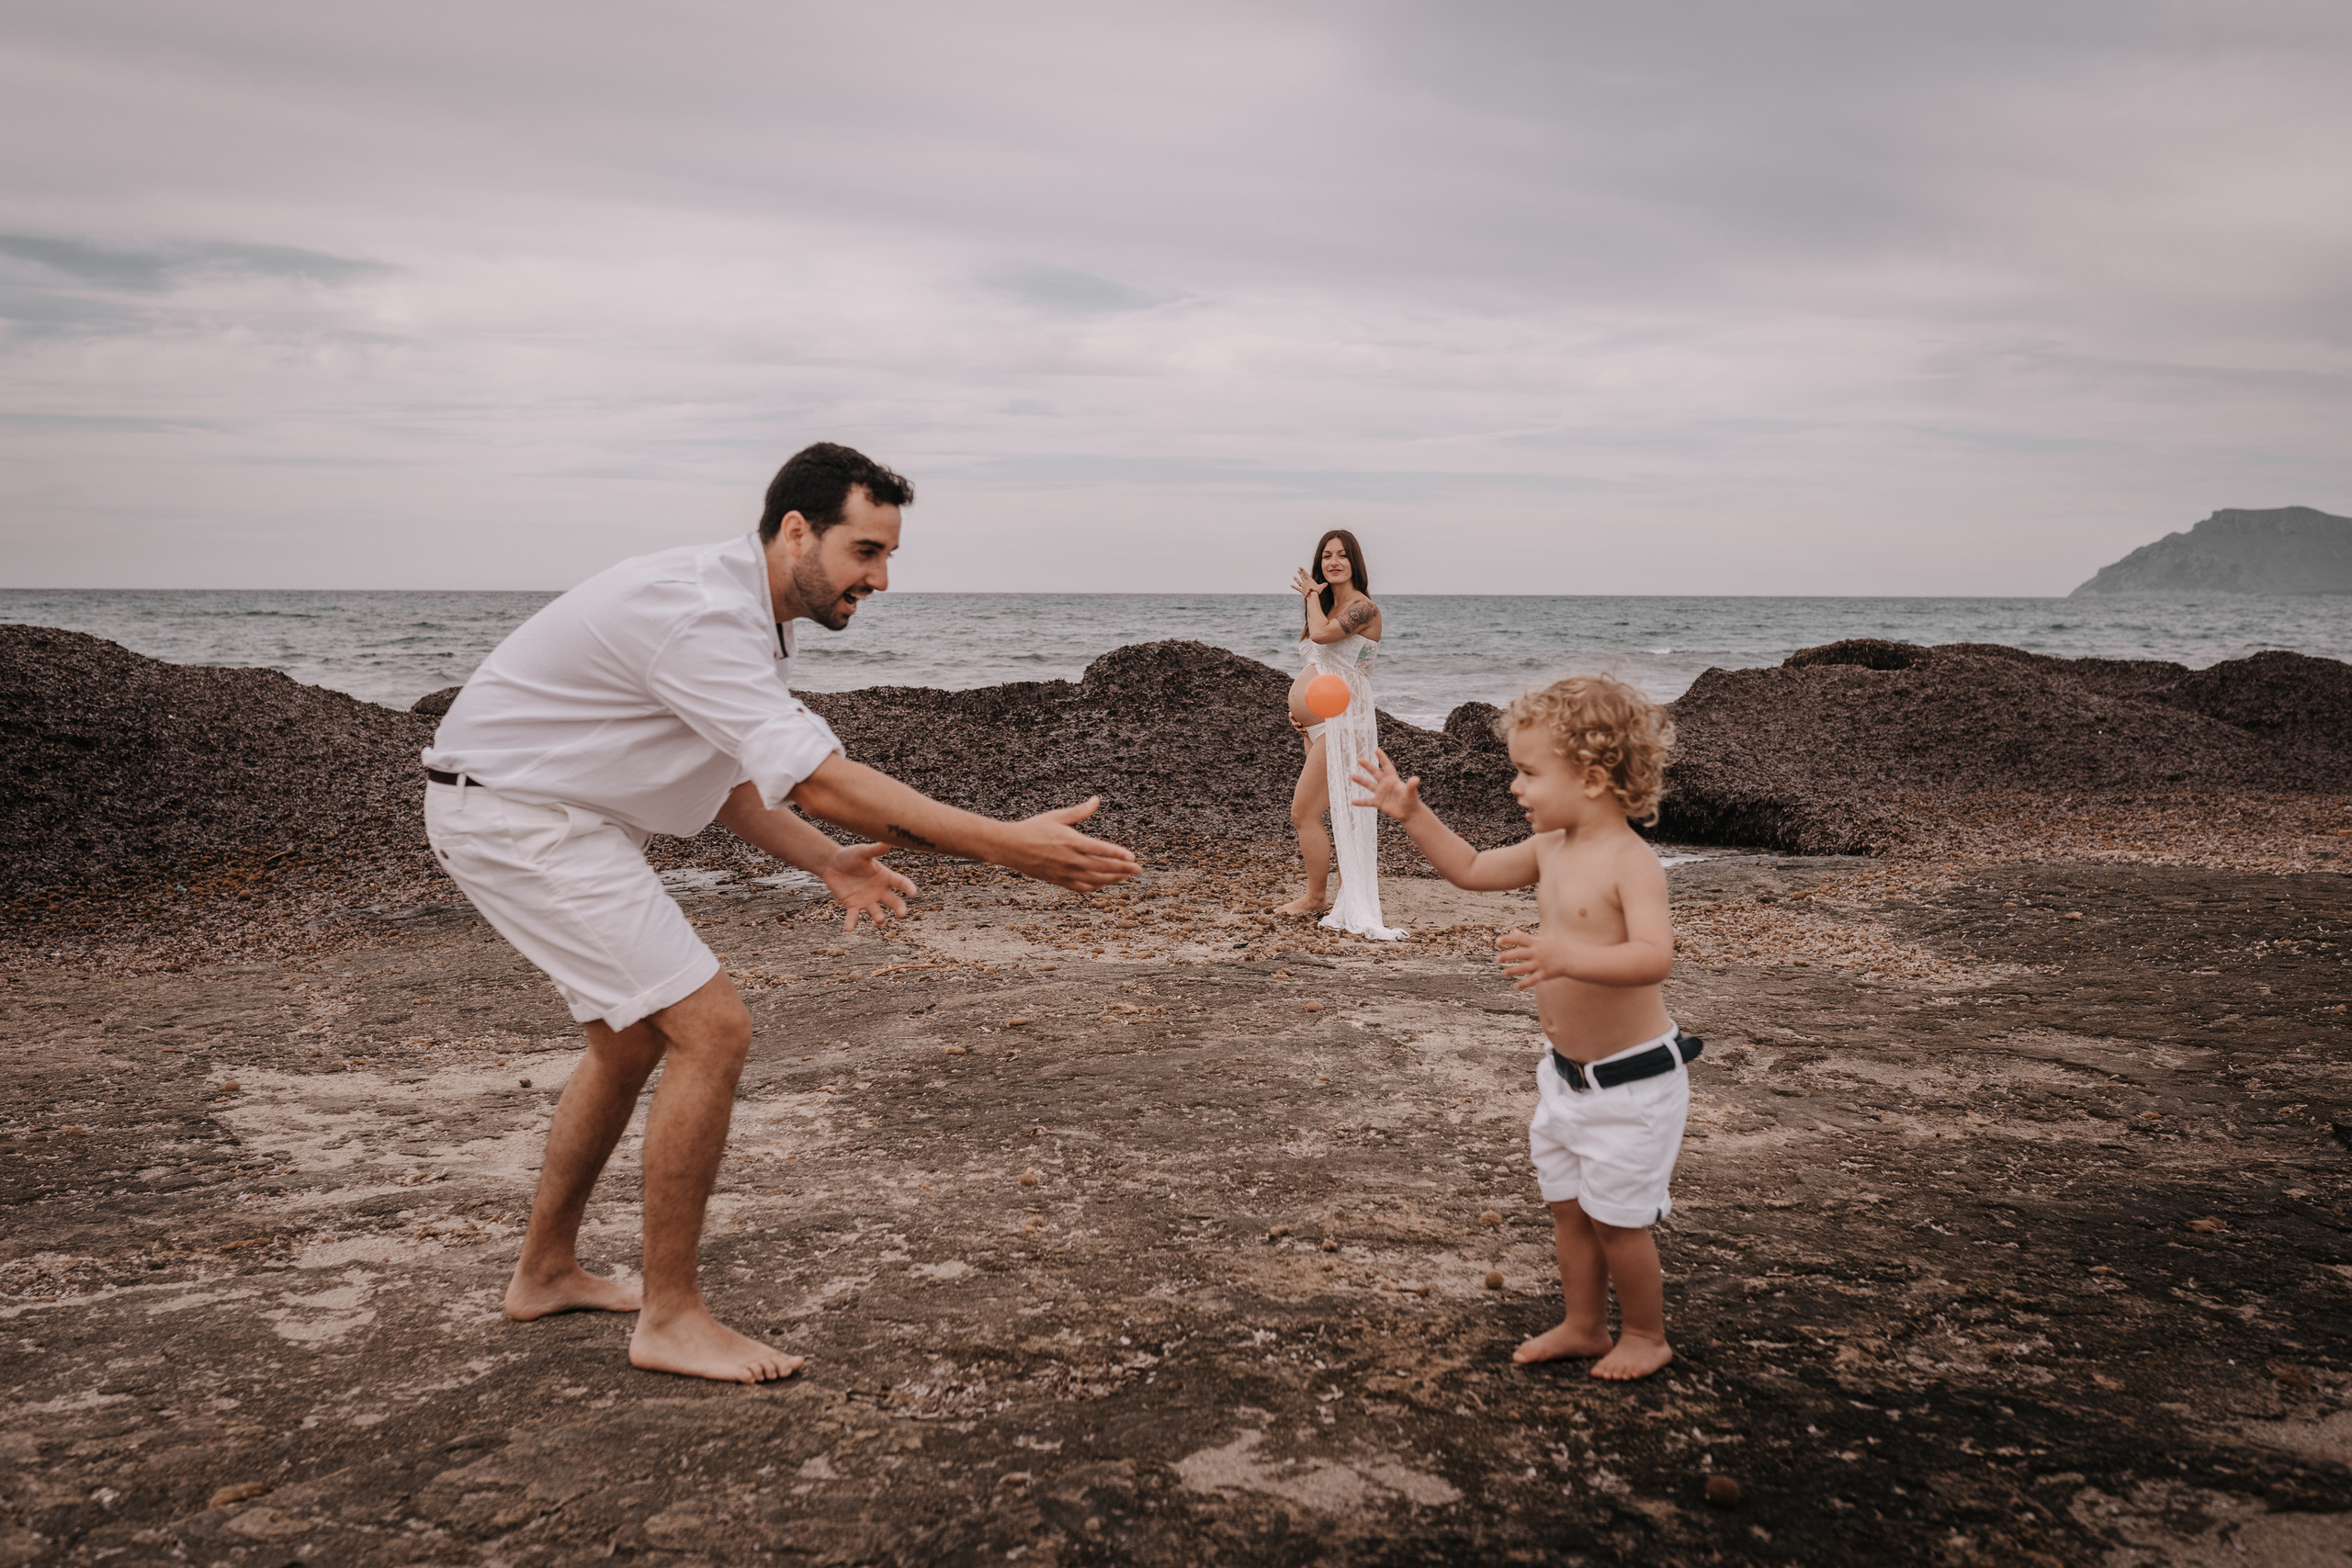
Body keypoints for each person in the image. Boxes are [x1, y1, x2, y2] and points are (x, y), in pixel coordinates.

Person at [420, 442, 1139, 1385]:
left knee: (629, 1042)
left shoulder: (754, 616)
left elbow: (733, 782)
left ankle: (546, 1272)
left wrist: (829, 863)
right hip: (520, 817)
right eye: (866, 552)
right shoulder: (700, 617)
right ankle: (670, 1319)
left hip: (546, 813)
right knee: (711, 1031)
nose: (879, 578)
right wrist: (1007, 844)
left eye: (888, 557)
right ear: (796, 530)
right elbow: (822, 781)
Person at [1351, 674, 1690, 1380]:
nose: (1517, 787)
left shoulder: (1632, 863)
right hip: (1565, 1077)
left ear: (1594, 778)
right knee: (1570, 1210)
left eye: (1531, 773)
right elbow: (1470, 869)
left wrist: (1568, 955)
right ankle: (1585, 1324)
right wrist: (1411, 815)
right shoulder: (1553, 848)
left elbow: (1655, 957)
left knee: (1619, 1220)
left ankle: (1647, 1335)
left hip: (1631, 1085)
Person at [1276, 529, 1405, 941]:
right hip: (1320, 724)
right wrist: (1302, 719)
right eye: (1327, 556)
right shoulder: (1329, 606)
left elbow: (1323, 637)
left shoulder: (1363, 608)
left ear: (1355, 563)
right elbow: (1322, 664)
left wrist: (1311, 597)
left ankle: (1315, 898)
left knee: (1304, 813)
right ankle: (1319, 893)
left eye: (1342, 556)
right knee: (1317, 810)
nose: (1334, 562)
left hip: (1346, 721)